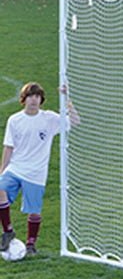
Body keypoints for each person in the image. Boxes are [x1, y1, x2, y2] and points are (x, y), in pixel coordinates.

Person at [0, 82, 80, 257]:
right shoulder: (14, 120)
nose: (34, 100)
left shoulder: (49, 119)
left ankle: (30, 245)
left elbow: (74, 121)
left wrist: (67, 99)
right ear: (24, 99)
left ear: (41, 100)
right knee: (0, 190)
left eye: (37, 96)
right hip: (16, 168)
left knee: (34, 210)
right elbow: (8, 147)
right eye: (30, 96)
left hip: (36, 173)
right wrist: (1, 171)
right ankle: (8, 232)